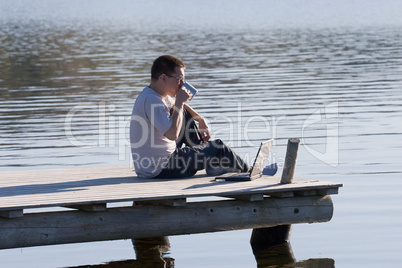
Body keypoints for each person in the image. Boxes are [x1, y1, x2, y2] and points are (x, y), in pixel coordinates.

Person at [129, 55, 250, 178]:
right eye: (179, 79)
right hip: (162, 168)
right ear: (164, 78)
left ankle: (211, 163)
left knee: (184, 115)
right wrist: (180, 102)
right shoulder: (151, 100)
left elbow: (181, 109)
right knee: (218, 147)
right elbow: (172, 135)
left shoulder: (157, 94)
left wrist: (199, 119)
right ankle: (250, 171)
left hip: (158, 165)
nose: (182, 84)